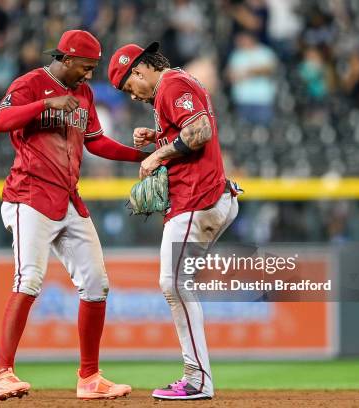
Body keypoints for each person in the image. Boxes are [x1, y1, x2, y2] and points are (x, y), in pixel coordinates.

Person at [0, 30, 146, 401]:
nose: (90, 75)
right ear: (67, 58)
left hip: (68, 199)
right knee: (29, 279)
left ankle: (89, 378)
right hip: (28, 195)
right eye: (86, 67)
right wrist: (45, 105)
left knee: (96, 284)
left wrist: (146, 157)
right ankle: (3, 375)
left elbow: (97, 142)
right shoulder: (31, 83)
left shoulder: (84, 94)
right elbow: (0, 122)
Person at [108, 42, 240, 400]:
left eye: (128, 86)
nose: (131, 96)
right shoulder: (174, 85)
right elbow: (189, 131)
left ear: (139, 71)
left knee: (173, 283)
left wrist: (157, 155)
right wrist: (159, 138)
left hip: (198, 199)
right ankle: (197, 376)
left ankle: (197, 379)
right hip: (211, 198)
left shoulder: (171, 86)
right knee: (177, 283)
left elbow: (200, 132)